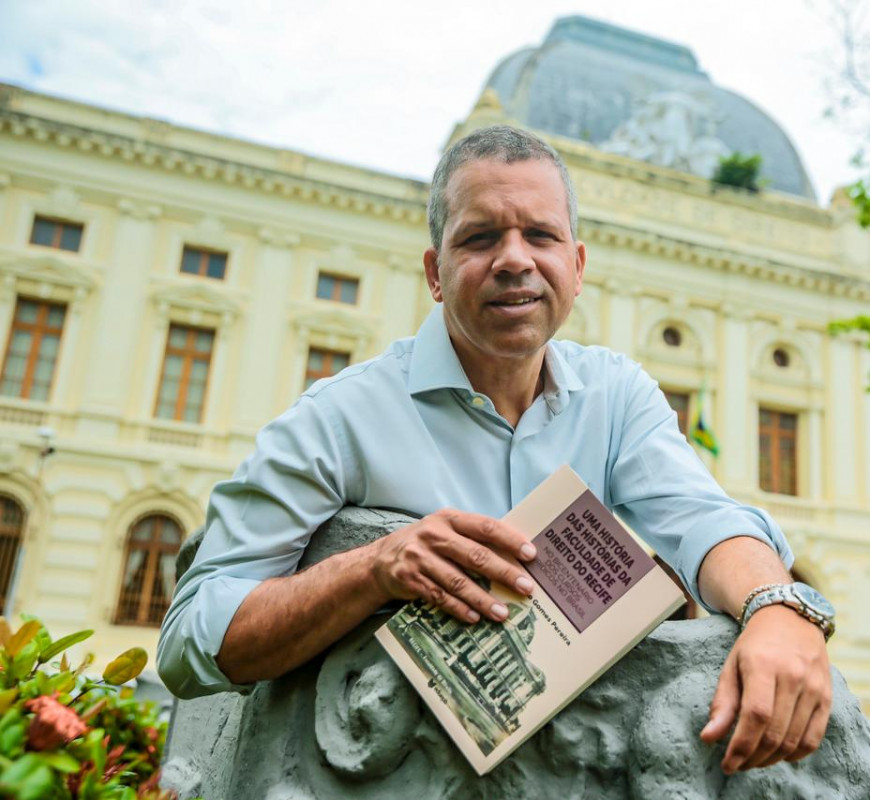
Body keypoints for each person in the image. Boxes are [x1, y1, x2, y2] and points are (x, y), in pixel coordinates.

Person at [158, 124, 833, 775]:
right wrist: (373, 569)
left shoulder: (618, 395)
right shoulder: (339, 418)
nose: (514, 259)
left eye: (540, 234)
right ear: (436, 271)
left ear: (575, 265)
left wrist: (778, 606)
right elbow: (190, 642)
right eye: (481, 237)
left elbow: (703, 521)